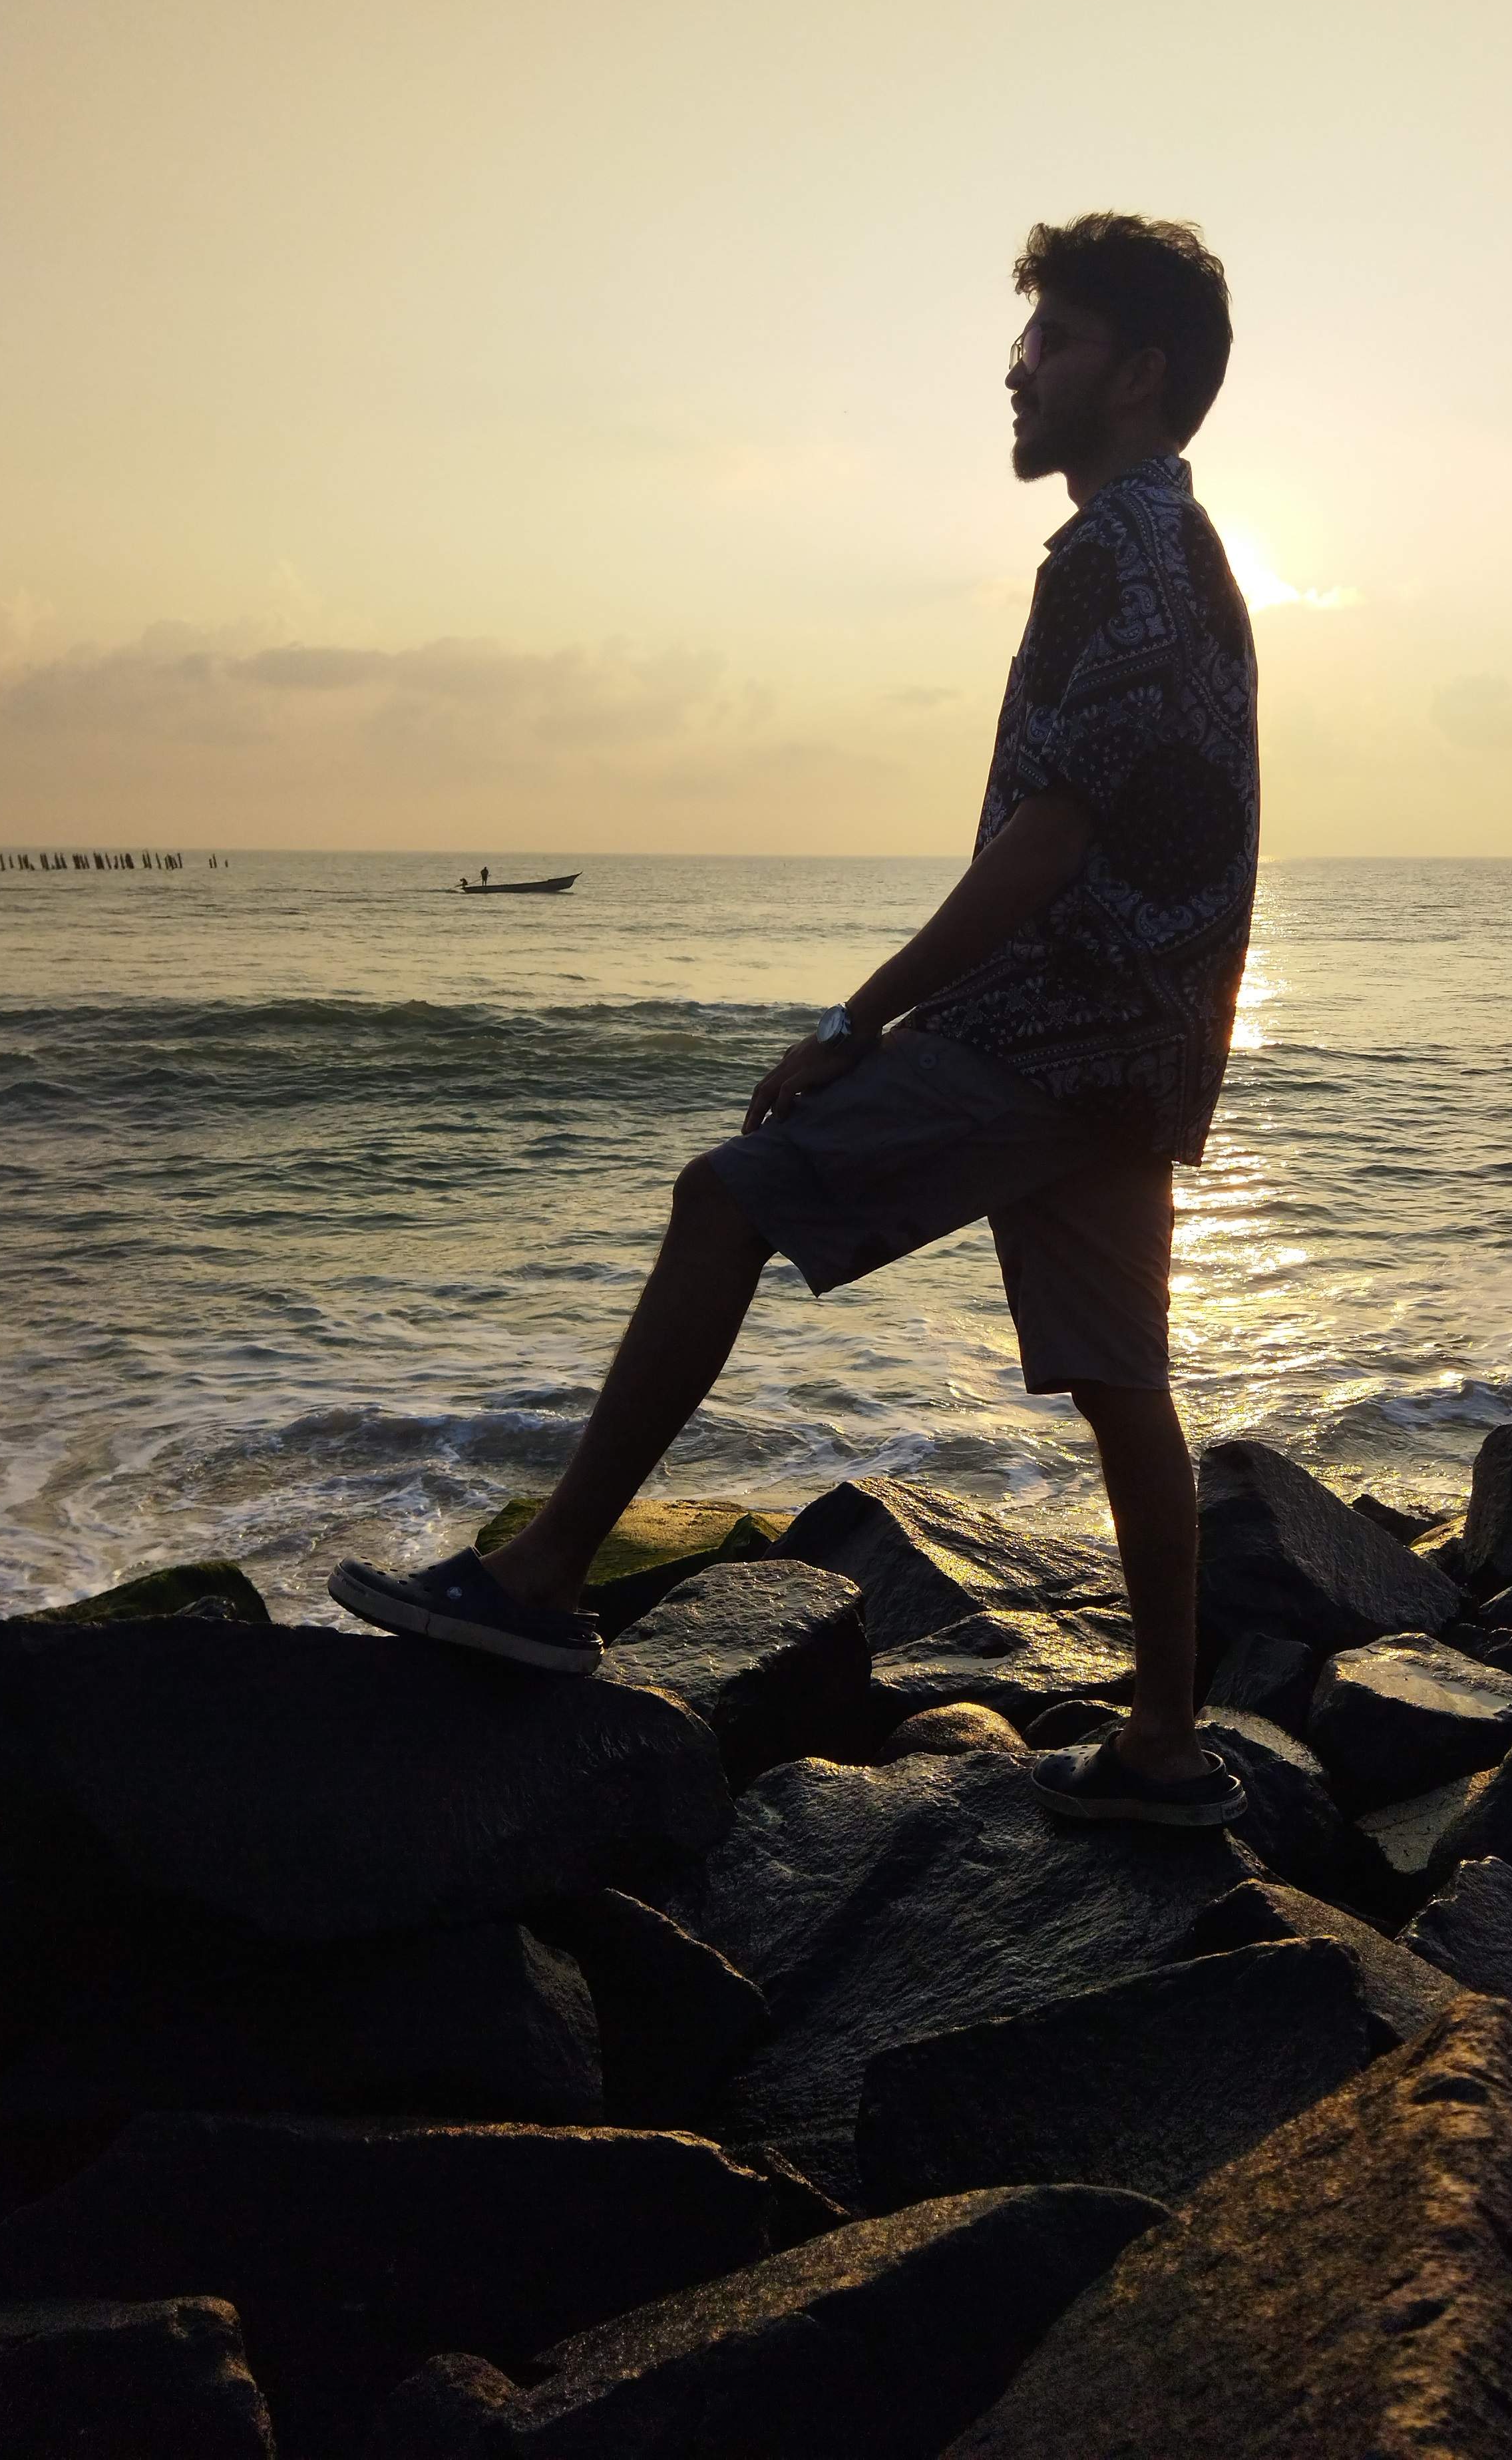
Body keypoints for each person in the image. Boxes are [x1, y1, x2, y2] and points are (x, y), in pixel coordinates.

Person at [332, 212, 1259, 1830]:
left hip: (1052, 1023)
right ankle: (1166, 1744)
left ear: (1139, 373)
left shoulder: (1113, 552)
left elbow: (1047, 840)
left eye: (1050, 341)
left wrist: (859, 1017)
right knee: (1124, 1379)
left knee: (727, 1195)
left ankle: (546, 1576)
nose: (1017, 369)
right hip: (1144, 1048)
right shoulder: (1197, 558)